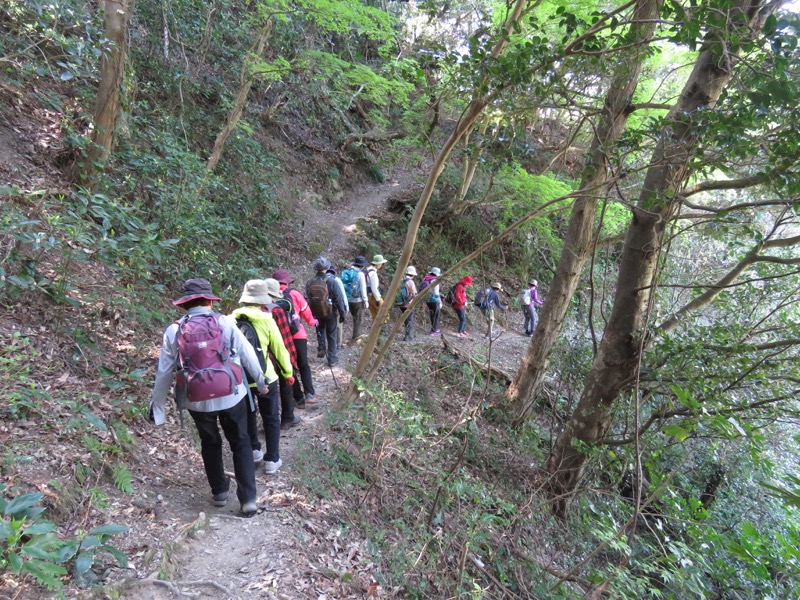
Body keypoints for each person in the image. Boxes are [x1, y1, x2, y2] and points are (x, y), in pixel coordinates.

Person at [149, 278, 266, 517]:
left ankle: (220, 491)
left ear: (184, 305)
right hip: (232, 393)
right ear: (210, 301)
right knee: (241, 442)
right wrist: (261, 382)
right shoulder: (224, 322)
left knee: (209, 442)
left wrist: (157, 407)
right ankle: (248, 500)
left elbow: (164, 371)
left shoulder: (174, 330)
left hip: (196, 398)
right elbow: (247, 355)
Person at [230, 280, 295, 476]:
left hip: (240, 378)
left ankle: (254, 450)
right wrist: (288, 373)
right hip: (266, 377)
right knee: (271, 417)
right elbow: (280, 350)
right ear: (262, 299)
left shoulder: (230, 319)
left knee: (248, 414)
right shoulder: (266, 320)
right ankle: (272, 459)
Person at [272, 268, 318, 408]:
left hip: (281, 338)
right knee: (304, 365)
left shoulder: (270, 297)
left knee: (289, 368)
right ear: (287, 282)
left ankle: (298, 399)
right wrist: (312, 322)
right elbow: (305, 311)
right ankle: (309, 393)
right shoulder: (294, 294)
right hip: (298, 335)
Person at [262, 278, 303, 431]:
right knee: (286, 385)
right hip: (278, 355)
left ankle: (269, 424)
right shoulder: (277, 310)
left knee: (266, 390)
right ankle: (288, 418)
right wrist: (292, 360)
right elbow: (285, 338)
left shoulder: (252, 310)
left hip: (262, 358)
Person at [306, 257, 347, 367]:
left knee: (320, 330)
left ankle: (321, 347)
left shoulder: (310, 282)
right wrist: (342, 313)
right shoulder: (332, 282)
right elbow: (338, 299)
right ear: (327, 268)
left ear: (316, 269)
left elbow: (308, 299)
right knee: (331, 334)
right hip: (330, 312)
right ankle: (332, 359)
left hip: (316, 312)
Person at [342, 256, 369, 341]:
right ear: (362, 266)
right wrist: (365, 300)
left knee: (342, 319)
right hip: (357, 300)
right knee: (358, 319)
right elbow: (363, 288)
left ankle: (339, 338)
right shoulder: (360, 274)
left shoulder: (346, 272)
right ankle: (356, 337)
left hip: (345, 299)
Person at [326, 266, 349, 350]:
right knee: (338, 325)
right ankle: (338, 344)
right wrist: (346, 306)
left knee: (326, 325)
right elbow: (342, 294)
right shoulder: (336, 280)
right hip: (336, 307)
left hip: (324, 307)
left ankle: (327, 344)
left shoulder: (320, 280)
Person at [396, 265, 418, 342]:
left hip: (401, 304)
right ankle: (409, 337)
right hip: (408, 304)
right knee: (409, 320)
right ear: (412, 275)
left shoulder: (401, 280)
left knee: (406, 320)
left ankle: (407, 336)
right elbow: (414, 294)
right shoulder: (410, 282)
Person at [420, 267, 442, 335]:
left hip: (428, 300)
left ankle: (433, 329)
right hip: (434, 300)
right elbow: (436, 292)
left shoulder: (426, 278)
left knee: (432, 314)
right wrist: (440, 301)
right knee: (436, 315)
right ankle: (435, 330)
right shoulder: (435, 281)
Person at [366, 254, 388, 319]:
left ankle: (374, 329)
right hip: (373, 296)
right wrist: (378, 299)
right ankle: (381, 328)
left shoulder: (367, 270)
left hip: (368, 295)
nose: (381, 265)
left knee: (375, 315)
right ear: (377, 264)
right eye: (381, 264)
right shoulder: (373, 274)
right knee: (385, 314)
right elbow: (374, 288)